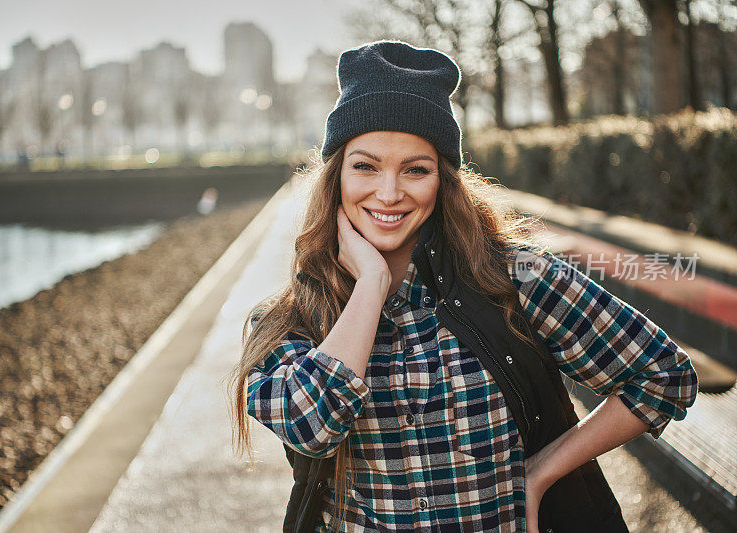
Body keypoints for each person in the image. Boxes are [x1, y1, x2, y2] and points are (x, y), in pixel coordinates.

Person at [229, 40, 698, 532]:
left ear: (444, 181)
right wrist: (370, 285)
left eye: (416, 169)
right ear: (336, 176)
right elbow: (312, 427)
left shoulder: (513, 279)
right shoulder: (288, 320)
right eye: (365, 166)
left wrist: (541, 473)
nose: (389, 193)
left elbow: (664, 375)